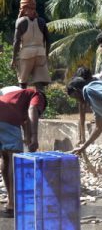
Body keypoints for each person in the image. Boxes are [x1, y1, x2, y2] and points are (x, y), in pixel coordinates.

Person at [0, 88, 47, 218]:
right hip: (7, 118)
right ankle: (13, 204)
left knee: (5, 157)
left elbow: (25, 119)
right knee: (13, 158)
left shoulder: (17, 95)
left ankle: (11, 200)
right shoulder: (37, 94)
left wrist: (27, 138)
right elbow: (32, 110)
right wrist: (35, 137)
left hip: (3, 114)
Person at [11, 0, 51, 91]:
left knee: (23, 82)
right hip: (40, 53)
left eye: (21, 8)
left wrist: (13, 58)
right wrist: (46, 55)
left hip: (26, 55)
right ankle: (40, 100)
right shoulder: (41, 21)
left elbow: (16, 42)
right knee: (39, 82)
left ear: (24, 8)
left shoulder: (20, 21)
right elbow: (48, 41)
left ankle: (22, 101)